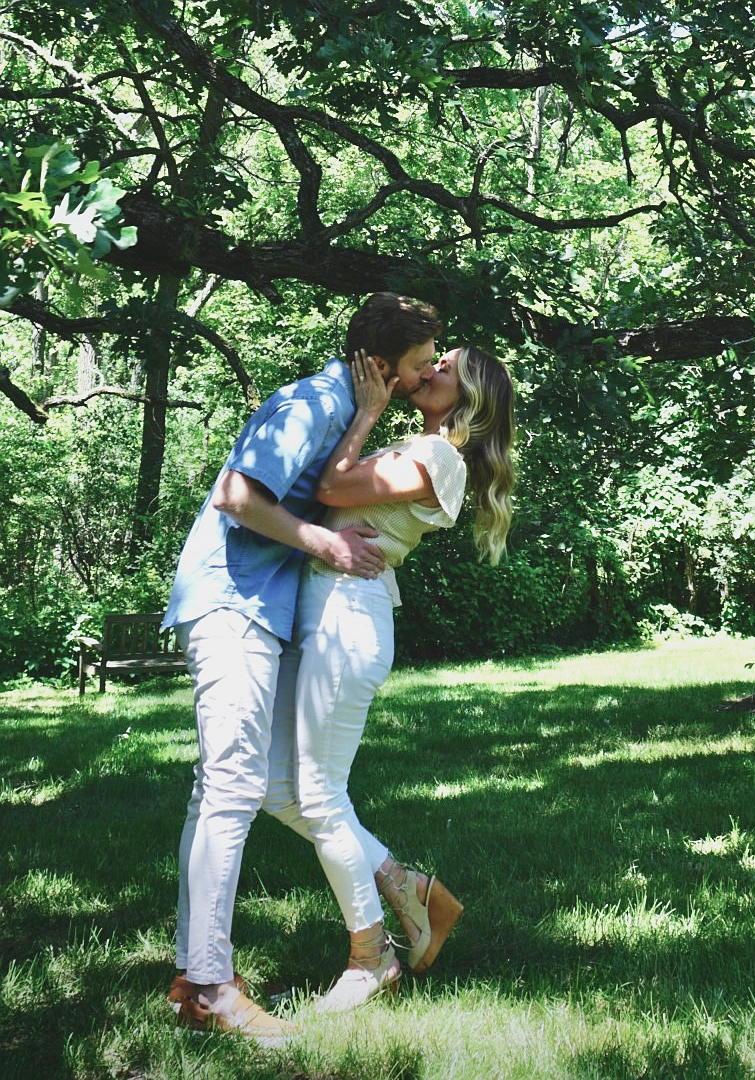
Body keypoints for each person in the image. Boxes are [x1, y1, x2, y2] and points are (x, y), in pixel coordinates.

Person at [162, 293, 443, 1046]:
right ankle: (212, 986)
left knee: (230, 787)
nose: (426, 379)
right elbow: (235, 497)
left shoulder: (344, 409)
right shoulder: (311, 401)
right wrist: (326, 547)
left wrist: (368, 423)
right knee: (230, 788)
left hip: (260, 608)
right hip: (230, 601)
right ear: (382, 366)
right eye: (419, 367)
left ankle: (198, 976)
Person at [262, 343, 515, 1013]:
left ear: (467, 399)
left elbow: (332, 490)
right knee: (274, 786)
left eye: (445, 367)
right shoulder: (425, 447)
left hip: (349, 618)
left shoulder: (440, 458)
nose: (428, 369)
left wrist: (367, 412)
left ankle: (369, 959)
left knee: (316, 794)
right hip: (328, 608)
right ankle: (408, 887)